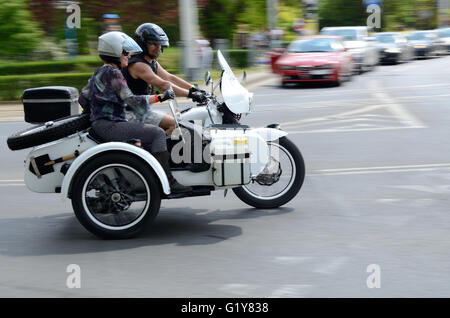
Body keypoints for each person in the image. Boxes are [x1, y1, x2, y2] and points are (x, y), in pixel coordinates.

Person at [78, 31, 192, 194]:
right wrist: (161, 97)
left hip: (103, 124)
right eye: (125, 53)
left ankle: (145, 169)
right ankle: (168, 181)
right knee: (158, 134)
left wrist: (95, 113)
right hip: (111, 125)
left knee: (151, 134)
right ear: (115, 53)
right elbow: (131, 100)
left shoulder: (99, 72)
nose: (128, 56)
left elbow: (83, 98)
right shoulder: (114, 73)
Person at [122, 23, 207, 136]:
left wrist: (194, 89)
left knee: (179, 118)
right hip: (130, 113)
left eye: (160, 44)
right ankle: (153, 148)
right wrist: (192, 95)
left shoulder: (151, 62)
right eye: (153, 44)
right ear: (142, 44)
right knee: (175, 124)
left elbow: (169, 77)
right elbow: (163, 85)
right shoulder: (138, 64)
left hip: (142, 111)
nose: (159, 48)